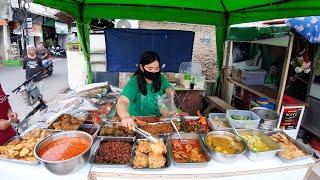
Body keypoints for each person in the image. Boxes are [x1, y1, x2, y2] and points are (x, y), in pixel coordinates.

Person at [116, 51, 175, 130]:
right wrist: (125, 116)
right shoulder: (134, 82)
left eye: (156, 68)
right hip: (138, 123)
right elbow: (123, 101)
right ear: (141, 67)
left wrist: (170, 91)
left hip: (158, 121)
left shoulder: (161, 78)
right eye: (150, 68)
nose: (153, 71)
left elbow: (168, 89)